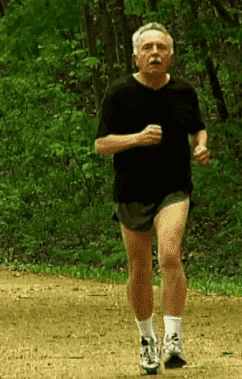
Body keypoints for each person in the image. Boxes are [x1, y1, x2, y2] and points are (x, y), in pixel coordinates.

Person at [94, 23, 210, 375]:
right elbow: (101, 144)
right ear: (136, 57)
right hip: (131, 191)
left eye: (161, 47)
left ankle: (173, 339)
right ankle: (147, 340)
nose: (155, 53)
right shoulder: (119, 93)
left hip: (173, 188)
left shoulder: (184, 91)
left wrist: (201, 146)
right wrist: (137, 139)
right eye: (148, 48)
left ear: (171, 55)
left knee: (170, 254)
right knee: (140, 268)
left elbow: (197, 127)